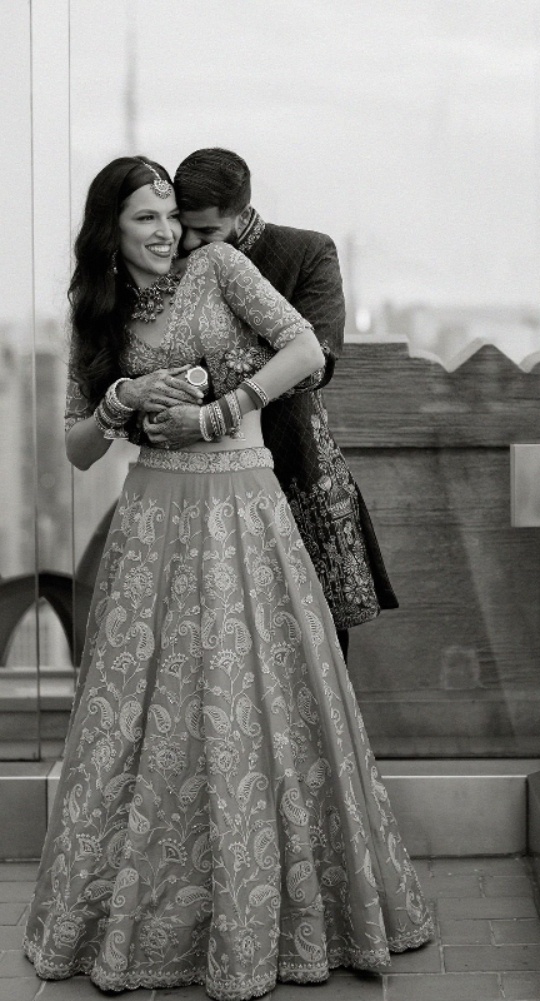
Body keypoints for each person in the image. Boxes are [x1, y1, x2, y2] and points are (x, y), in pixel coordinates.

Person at [23, 156, 433, 1000]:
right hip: (152, 520)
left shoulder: (218, 267)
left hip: (244, 507)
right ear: (110, 231)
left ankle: (287, 915)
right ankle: (154, 918)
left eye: (169, 213)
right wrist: (122, 397)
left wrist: (221, 410)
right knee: (150, 714)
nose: (165, 230)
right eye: (145, 217)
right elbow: (76, 446)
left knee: (261, 700)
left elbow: (304, 347)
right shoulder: (95, 313)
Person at [146, 147, 398, 662]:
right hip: (201, 478)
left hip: (294, 462)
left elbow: (317, 361)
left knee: (316, 642)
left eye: (207, 232)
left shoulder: (306, 252)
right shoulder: (169, 259)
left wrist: (212, 401)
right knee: (211, 640)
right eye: (184, 227)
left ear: (241, 213)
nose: (188, 243)